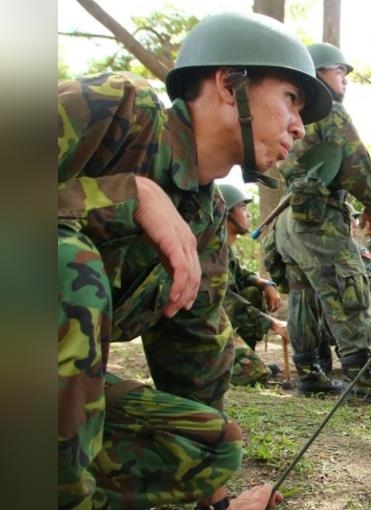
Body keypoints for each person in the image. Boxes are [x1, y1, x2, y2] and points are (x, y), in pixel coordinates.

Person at [58, 12, 331, 509]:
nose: (298, 126)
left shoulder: (207, 220)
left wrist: (219, 504)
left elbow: (195, 359)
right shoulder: (118, 112)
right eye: (291, 99)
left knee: (207, 445)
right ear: (230, 83)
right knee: (64, 263)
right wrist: (128, 193)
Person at [274, 42, 371, 404]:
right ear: (318, 74)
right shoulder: (327, 108)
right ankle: (361, 381)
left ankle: (310, 375)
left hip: (289, 220)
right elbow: (355, 159)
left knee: (302, 298)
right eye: (339, 72)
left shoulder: (288, 111)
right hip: (320, 218)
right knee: (349, 290)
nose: (344, 80)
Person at [218, 183, 288, 386]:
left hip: (220, 320)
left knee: (252, 291)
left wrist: (267, 284)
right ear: (225, 213)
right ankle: (232, 363)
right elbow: (227, 301)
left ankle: (243, 355)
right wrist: (273, 323)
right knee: (254, 375)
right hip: (203, 324)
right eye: (242, 208)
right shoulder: (210, 250)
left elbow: (240, 275)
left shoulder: (225, 248)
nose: (248, 214)